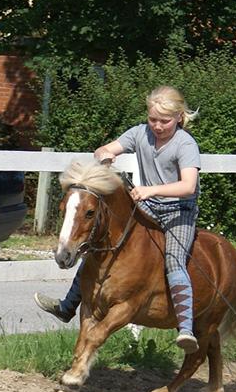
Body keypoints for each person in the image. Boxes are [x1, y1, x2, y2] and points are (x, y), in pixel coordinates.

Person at [35, 85, 202, 353]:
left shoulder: (185, 144)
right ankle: (68, 306)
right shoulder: (140, 133)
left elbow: (188, 186)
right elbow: (105, 148)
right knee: (98, 246)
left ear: (179, 118)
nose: (157, 126)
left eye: (164, 121)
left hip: (178, 212)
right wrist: (105, 155)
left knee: (173, 259)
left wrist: (152, 190)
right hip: (147, 205)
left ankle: (185, 327)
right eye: (153, 119)